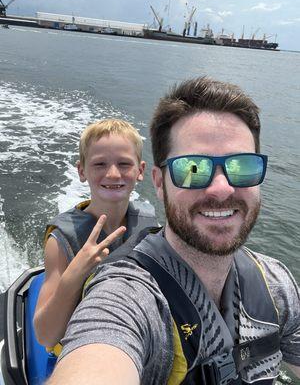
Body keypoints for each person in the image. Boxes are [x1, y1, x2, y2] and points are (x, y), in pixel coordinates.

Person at [46, 78, 300, 384]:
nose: (222, 188)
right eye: (192, 168)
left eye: (242, 165)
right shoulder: (126, 296)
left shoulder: (278, 286)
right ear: (157, 181)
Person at [34, 118, 157, 349]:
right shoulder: (61, 242)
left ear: (140, 171)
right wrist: (75, 273)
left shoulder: (149, 224)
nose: (112, 174)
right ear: (82, 171)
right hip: (84, 342)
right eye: (99, 164)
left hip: (138, 334)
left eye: (124, 164)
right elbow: (45, 336)